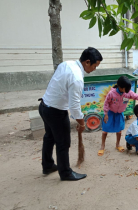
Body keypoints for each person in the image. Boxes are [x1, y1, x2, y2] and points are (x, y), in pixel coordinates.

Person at [38, 47, 103, 181]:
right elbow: (74, 106)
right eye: (95, 65)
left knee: (49, 137)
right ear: (87, 62)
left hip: (44, 106)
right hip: (56, 112)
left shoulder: (66, 64)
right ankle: (65, 173)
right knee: (63, 143)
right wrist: (81, 123)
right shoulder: (77, 78)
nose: (95, 69)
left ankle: (48, 165)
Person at [98, 76, 138, 156]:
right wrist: (106, 114)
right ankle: (102, 145)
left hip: (119, 113)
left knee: (119, 130)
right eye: (126, 89)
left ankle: (117, 144)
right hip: (110, 113)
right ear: (120, 87)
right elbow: (106, 103)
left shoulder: (128, 93)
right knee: (105, 130)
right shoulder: (112, 93)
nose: (128, 91)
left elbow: (137, 96)